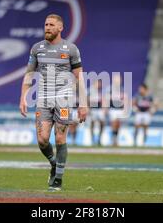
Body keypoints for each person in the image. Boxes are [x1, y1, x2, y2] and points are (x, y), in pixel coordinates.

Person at [19, 14, 87, 192]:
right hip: (43, 99)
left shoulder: (71, 49)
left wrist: (83, 104)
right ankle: (54, 163)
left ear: (60, 28)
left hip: (64, 100)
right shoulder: (37, 48)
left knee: (59, 138)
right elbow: (28, 74)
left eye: (51, 25)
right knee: (42, 140)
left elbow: (79, 76)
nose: (47, 27)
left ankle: (58, 179)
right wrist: (23, 97)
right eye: (46, 24)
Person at [89, 80, 107, 146]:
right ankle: (92, 139)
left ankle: (99, 138)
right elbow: (86, 100)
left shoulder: (101, 92)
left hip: (99, 110)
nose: (99, 85)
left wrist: (104, 109)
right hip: (92, 110)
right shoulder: (90, 91)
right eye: (97, 83)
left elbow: (104, 100)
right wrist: (88, 108)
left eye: (100, 84)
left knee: (102, 123)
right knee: (92, 123)